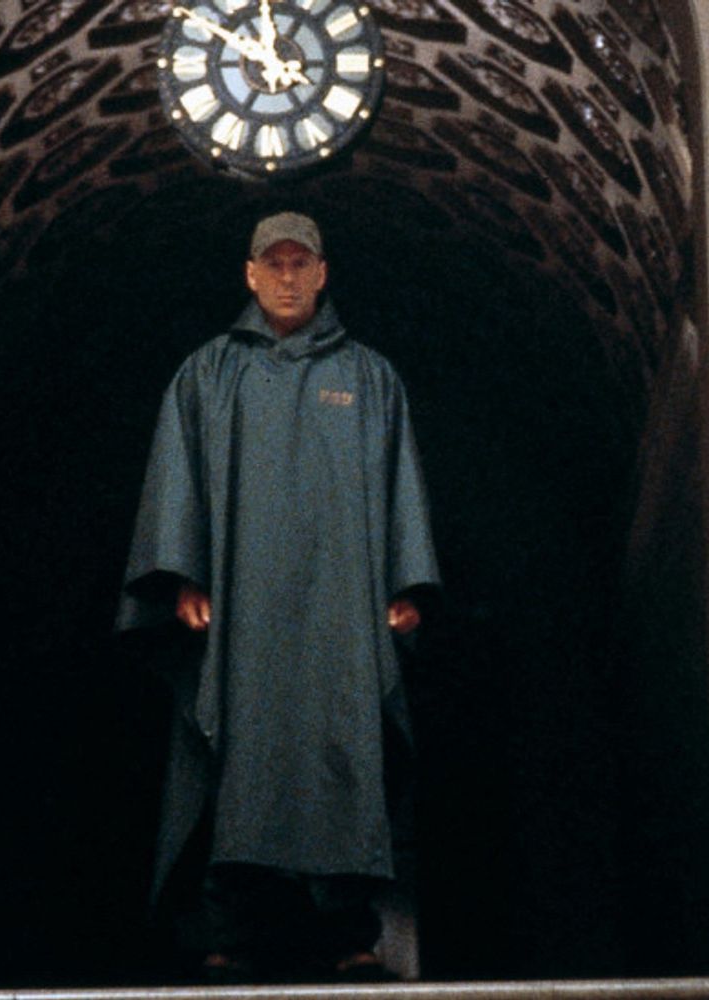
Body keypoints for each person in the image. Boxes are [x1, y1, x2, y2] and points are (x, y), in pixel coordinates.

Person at [118, 211, 440, 981]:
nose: (289, 277)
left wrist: (406, 582)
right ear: (251, 274)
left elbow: (401, 483)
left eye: (303, 264)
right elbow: (178, 474)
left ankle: (348, 934)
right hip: (243, 618)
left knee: (348, 755)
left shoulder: (368, 376)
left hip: (341, 614)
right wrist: (185, 575)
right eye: (276, 264)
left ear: (323, 273)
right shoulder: (208, 373)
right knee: (238, 753)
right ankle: (226, 931)